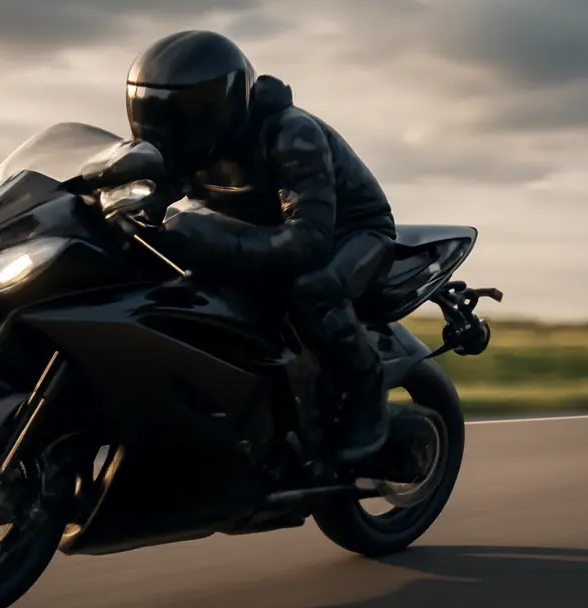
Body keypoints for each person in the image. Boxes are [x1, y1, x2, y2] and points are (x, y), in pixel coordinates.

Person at [125, 30, 398, 468]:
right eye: (154, 111)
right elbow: (148, 192)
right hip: (260, 227)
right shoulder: (182, 141)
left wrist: (196, 238)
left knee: (313, 289)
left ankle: (368, 395)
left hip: (352, 232)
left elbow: (308, 241)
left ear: (222, 104)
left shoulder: (291, 136)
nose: (165, 127)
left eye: (182, 112)